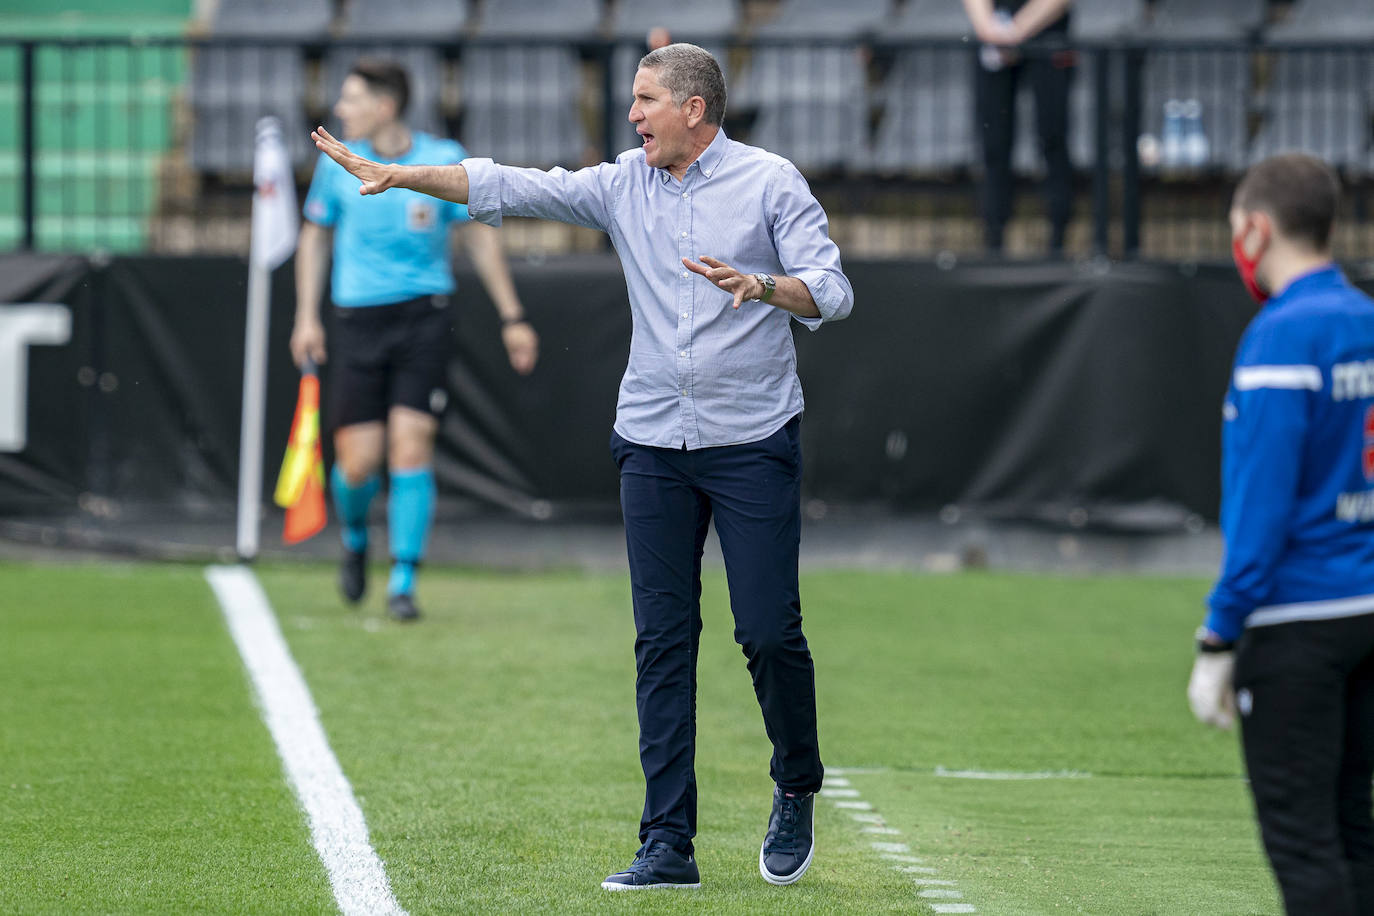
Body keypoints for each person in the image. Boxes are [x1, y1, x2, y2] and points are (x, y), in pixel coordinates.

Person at [310, 42, 853, 889]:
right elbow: (509, 184)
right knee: (662, 642)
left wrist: (763, 284)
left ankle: (796, 783)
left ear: (694, 110)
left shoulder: (772, 182)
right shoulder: (621, 183)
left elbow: (833, 289)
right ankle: (667, 843)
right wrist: (398, 173)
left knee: (767, 633)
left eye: (644, 101)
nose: (631, 115)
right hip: (650, 444)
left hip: (752, 444)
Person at [1187, 153, 1374, 914]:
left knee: (1306, 849)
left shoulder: (1280, 337)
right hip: (1367, 609)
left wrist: (1218, 638)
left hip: (1298, 623)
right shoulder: (1364, 320)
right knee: (1355, 830)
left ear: (1257, 230)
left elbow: (1260, 517)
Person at [290, 58, 539, 622]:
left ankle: (403, 580)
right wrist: (306, 316)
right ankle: (355, 536)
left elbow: (478, 240)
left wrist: (512, 316)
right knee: (359, 465)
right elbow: (313, 239)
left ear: (384, 106)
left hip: (424, 319)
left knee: (411, 446)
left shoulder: (442, 159)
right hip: (357, 322)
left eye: (351, 100)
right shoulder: (337, 165)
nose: (340, 110)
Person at [962, 0, 1076, 255]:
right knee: (994, 141)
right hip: (993, 33)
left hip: (1048, 31)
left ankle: (1058, 243)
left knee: (1053, 135)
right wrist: (991, 31)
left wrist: (1016, 31)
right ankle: (993, 241)